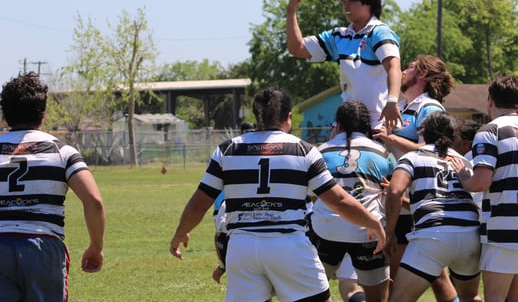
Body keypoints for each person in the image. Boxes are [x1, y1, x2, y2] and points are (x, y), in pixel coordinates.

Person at [170, 86, 386, 302]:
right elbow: (338, 201)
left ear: (257, 116)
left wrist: (181, 232)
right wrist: (372, 223)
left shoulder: (227, 150)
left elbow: (199, 203)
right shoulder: (303, 150)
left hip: (242, 248)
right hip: (288, 245)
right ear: (288, 117)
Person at [0, 72, 106, 301]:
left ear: (5, 114)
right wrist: (96, 247)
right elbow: (94, 201)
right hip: (43, 247)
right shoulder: (62, 152)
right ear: (43, 114)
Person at [451, 74, 518, 302]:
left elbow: (481, 182)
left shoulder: (490, 131)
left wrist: (464, 176)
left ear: (490, 100)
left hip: (502, 228)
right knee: (517, 299)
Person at [374, 55, 459, 302]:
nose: (403, 71)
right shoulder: (405, 106)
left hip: (414, 197)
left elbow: (431, 151)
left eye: (410, 67)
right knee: (433, 275)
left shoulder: (429, 107)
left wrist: (388, 138)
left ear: (422, 75)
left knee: (406, 273)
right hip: (401, 194)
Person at [385, 113, 481, 302]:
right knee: (471, 297)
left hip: (433, 234)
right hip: (470, 233)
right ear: (453, 136)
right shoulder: (463, 161)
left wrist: (389, 232)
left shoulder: (412, 157)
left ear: (424, 134)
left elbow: (395, 191)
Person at [286, 0, 402, 130]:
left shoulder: (380, 32)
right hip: (346, 121)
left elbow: (394, 67)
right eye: (343, 1)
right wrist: (291, 11)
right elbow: (297, 48)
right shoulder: (338, 36)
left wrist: (392, 101)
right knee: (326, 154)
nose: (346, 6)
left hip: (377, 121)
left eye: (351, 1)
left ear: (368, 3)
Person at [310, 101, 395, 302]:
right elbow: (392, 193)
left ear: (338, 125)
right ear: (367, 126)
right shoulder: (383, 153)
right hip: (368, 233)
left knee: (313, 290)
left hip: (326, 230)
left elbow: (314, 196)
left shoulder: (319, 152)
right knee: (377, 298)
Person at [211, 121, 259, 284]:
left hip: (230, 202)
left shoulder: (230, 150)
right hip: (237, 202)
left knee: (224, 234)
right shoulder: (258, 150)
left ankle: (224, 265)